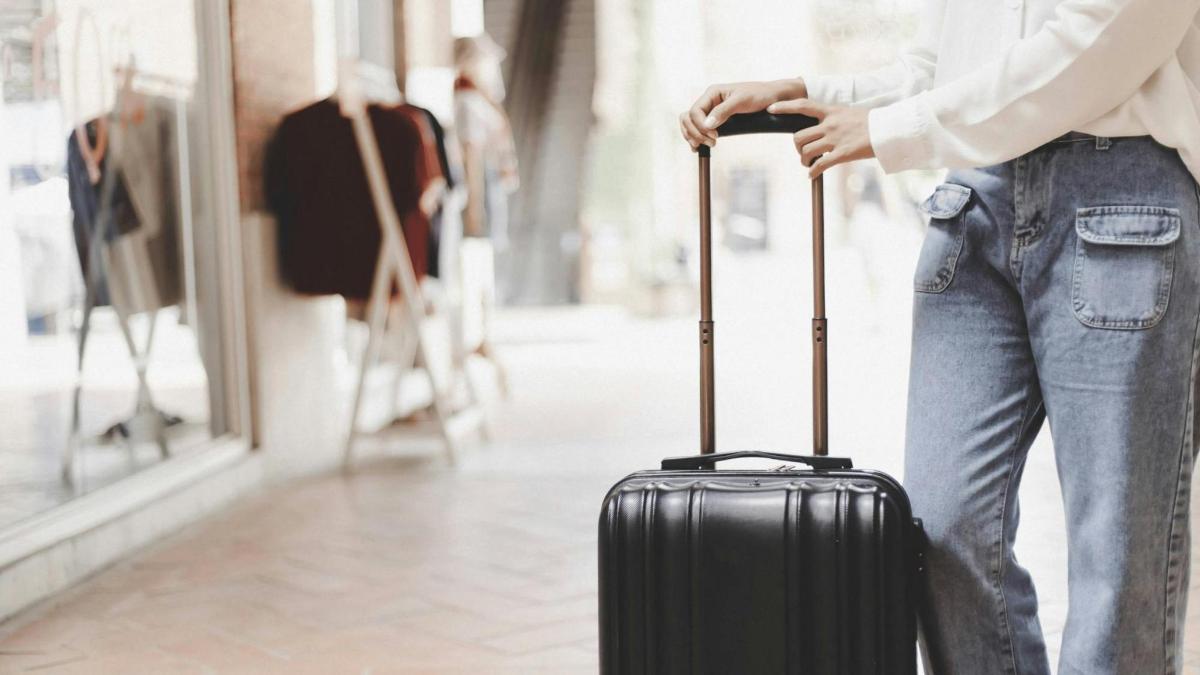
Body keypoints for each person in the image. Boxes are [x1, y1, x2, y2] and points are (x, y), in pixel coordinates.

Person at [681, 1, 1200, 673]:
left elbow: (1101, 43)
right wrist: (809, 94)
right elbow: (944, 66)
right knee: (942, 524)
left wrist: (903, 129)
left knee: (1117, 561)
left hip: (1121, 198)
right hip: (975, 199)